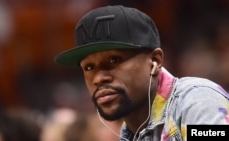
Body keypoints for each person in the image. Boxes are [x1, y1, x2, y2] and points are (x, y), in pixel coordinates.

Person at [54, 5, 229, 141]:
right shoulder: (130, 133)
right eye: (89, 67)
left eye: (114, 60)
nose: (99, 78)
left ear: (156, 61)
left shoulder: (196, 101)